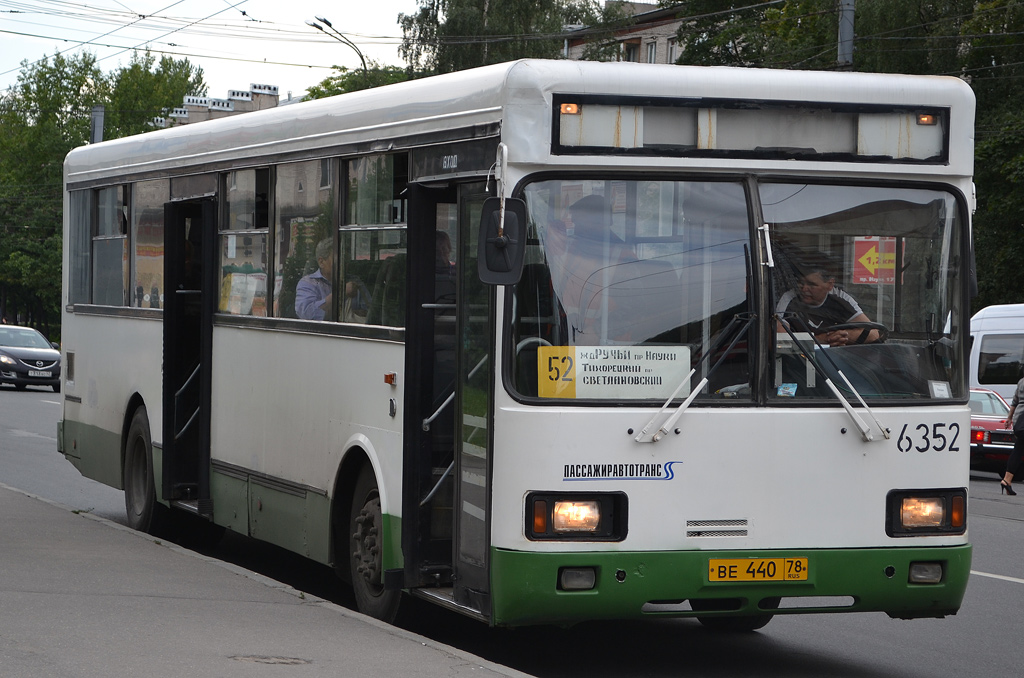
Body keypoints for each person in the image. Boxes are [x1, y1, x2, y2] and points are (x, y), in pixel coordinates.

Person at [776, 263, 879, 347]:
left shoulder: (839, 298)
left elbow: (873, 334)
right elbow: (779, 339)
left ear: (830, 285)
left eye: (812, 285)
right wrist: (821, 339)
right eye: (801, 283)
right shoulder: (789, 298)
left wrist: (841, 336)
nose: (804, 289)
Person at [295, 238, 334, 321]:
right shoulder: (308, 283)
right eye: (336, 259)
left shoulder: (353, 281)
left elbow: (368, 310)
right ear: (321, 262)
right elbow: (306, 313)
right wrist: (339, 294)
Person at [1000, 367, 1024, 495]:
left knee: (1018, 449)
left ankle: (1006, 480)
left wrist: (1009, 419)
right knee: (1018, 449)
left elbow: (1014, 402)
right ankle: (1006, 480)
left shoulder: (1021, 382)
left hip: (1019, 421)